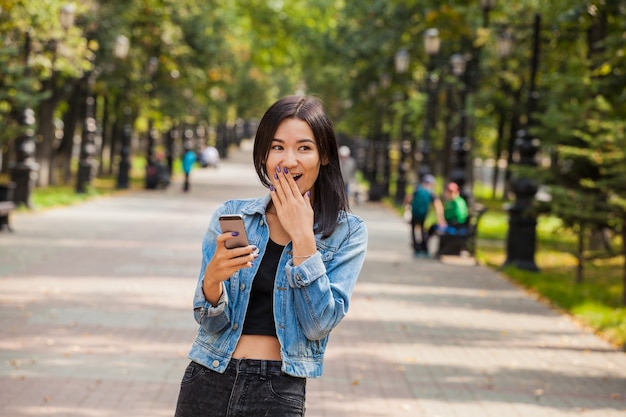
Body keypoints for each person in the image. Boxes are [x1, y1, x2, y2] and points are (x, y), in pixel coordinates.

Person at [174, 95, 368, 417]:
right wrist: (212, 280)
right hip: (207, 376)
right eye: (277, 147)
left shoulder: (347, 233)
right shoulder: (234, 217)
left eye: (304, 148)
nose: (288, 160)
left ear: (324, 156)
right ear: (264, 154)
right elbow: (208, 319)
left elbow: (318, 325)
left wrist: (304, 238)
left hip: (278, 391)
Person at [404, 174, 445, 256]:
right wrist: (440, 218)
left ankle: (417, 250)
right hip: (424, 215)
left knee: (414, 232)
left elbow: (408, 198)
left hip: (415, 214)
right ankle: (424, 250)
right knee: (424, 232)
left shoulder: (417, 190)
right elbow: (437, 205)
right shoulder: (431, 193)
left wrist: (406, 208)